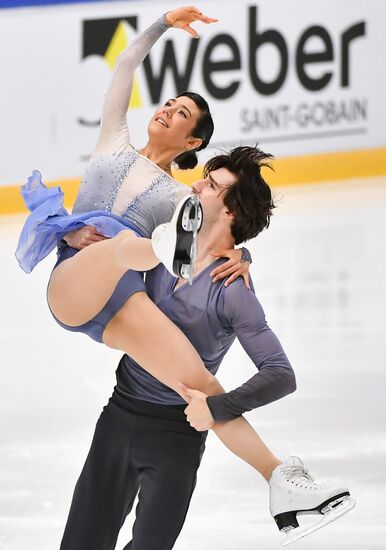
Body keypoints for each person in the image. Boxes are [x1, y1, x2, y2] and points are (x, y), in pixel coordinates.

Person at [14, 6, 310, 518]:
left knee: (198, 385)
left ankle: (281, 480)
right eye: (169, 104)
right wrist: (163, 25)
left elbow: (224, 228)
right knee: (116, 247)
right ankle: (152, 248)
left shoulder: (184, 199)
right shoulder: (114, 140)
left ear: (192, 142)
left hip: (123, 305)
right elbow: (126, 63)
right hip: (73, 284)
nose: (167, 111)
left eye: (181, 116)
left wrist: (242, 254)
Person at [58, 146, 355, 550]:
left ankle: (284, 485)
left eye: (212, 185)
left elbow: (281, 374)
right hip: (118, 415)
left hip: (177, 436)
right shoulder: (164, 242)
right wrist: (71, 233)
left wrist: (216, 408)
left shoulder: (234, 292)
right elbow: (99, 234)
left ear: (231, 212)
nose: (196, 184)